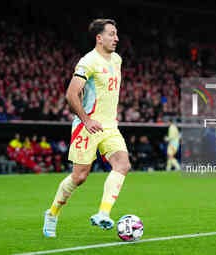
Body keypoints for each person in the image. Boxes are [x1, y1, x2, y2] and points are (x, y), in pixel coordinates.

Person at [43, 19, 131, 237]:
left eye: (117, 34)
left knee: (123, 164)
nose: (116, 38)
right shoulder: (87, 62)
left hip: (110, 126)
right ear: (99, 38)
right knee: (80, 176)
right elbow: (71, 94)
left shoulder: (117, 59)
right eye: (112, 34)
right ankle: (52, 213)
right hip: (87, 126)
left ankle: (103, 214)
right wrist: (86, 119)